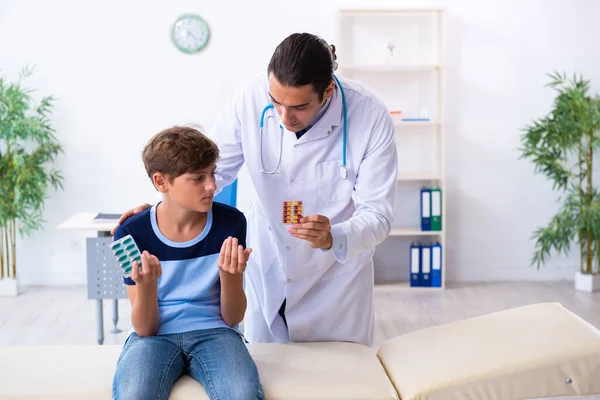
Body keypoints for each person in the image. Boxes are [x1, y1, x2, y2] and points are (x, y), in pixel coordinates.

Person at [112, 32, 398, 347]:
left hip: (335, 281)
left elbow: (378, 215)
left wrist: (334, 236)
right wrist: (161, 205)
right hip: (270, 262)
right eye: (275, 102)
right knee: (271, 377)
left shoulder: (370, 115)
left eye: (299, 107)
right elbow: (210, 171)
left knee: (339, 382)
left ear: (327, 91)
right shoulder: (250, 97)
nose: (284, 117)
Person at [111, 126, 264, 400]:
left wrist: (230, 276)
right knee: (134, 395)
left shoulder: (232, 223)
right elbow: (145, 329)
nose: (212, 186)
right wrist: (147, 287)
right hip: (153, 337)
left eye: (212, 173)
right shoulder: (129, 234)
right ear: (161, 182)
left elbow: (232, 317)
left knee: (242, 395)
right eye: (198, 178)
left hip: (216, 332)